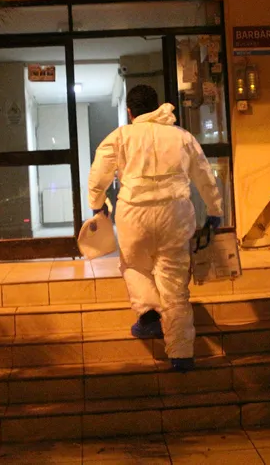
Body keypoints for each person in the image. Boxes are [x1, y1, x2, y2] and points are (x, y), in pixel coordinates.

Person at [88, 85, 223, 373]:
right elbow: (204, 175)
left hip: (133, 213)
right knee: (174, 286)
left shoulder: (120, 137)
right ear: (156, 106)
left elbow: (98, 177)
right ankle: (182, 356)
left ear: (130, 111)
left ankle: (149, 316)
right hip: (175, 214)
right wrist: (215, 211)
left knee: (134, 266)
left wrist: (97, 206)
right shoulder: (182, 137)